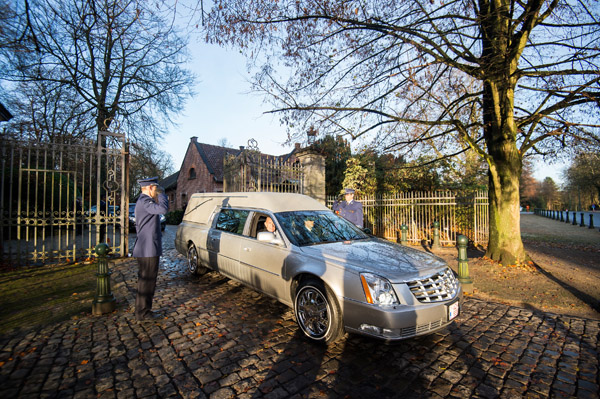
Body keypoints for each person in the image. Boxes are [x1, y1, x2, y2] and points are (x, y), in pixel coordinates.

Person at [132, 177, 169, 322]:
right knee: (147, 282)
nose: (157, 192)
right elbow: (163, 209)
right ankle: (143, 313)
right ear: (150, 188)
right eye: (156, 189)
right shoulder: (145, 201)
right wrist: (163, 194)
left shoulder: (144, 201)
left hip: (146, 248)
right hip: (147, 249)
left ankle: (143, 311)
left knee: (146, 281)